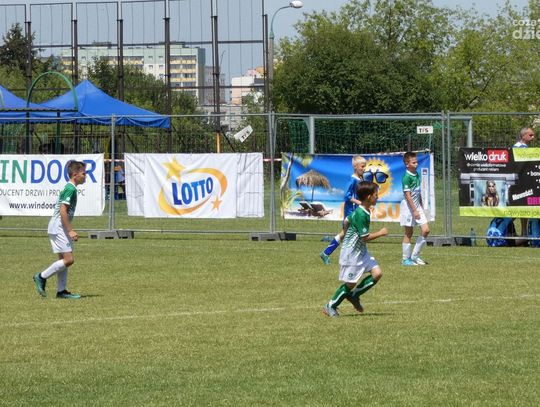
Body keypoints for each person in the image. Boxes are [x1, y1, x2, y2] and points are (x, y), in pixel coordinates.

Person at [323, 181, 388, 317]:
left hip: (361, 252)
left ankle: (354, 295)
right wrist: (381, 233)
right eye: (376, 195)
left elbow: (347, 219)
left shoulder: (363, 210)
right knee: (350, 283)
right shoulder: (361, 213)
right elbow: (365, 237)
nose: (378, 197)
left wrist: (346, 230)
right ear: (369, 197)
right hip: (352, 253)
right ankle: (330, 305)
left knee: (377, 274)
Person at [33, 160, 87, 299]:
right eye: (83, 173)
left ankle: (61, 291)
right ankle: (41, 276)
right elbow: (63, 211)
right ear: (75, 175)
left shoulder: (71, 188)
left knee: (63, 260)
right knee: (69, 260)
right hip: (59, 227)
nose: (85, 176)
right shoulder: (70, 189)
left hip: (57, 227)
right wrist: (70, 230)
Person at [319, 155, 366, 264]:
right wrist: (359, 203)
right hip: (351, 211)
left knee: (345, 234)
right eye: (362, 166)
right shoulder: (352, 179)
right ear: (355, 166)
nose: (364, 169)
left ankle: (326, 253)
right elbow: (347, 196)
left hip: (357, 210)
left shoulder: (360, 179)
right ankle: (354, 258)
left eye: (365, 166)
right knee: (355, 234)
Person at [400, 151, 430, 266]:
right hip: (409, 208)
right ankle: (405, 259)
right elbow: (408, 196)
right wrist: (414, 210)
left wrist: (420, 205)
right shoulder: (406, 177)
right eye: (414, 162)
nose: (416, 164)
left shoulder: (416, 174)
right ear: (407, 164)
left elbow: (418, 191)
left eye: (417, 162)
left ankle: (415, 256)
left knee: (426, 230)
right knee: (409, 232)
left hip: (417, 207)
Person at [513, 127, 535, 240]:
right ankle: (523, 233)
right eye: (530, 135)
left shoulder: (518, 147)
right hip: (521, 182)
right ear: (523, 136)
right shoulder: (520, 148)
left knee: (522, 207)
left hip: (522, 180)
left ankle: (523, 233)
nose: (533, 137)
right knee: (522, 207)